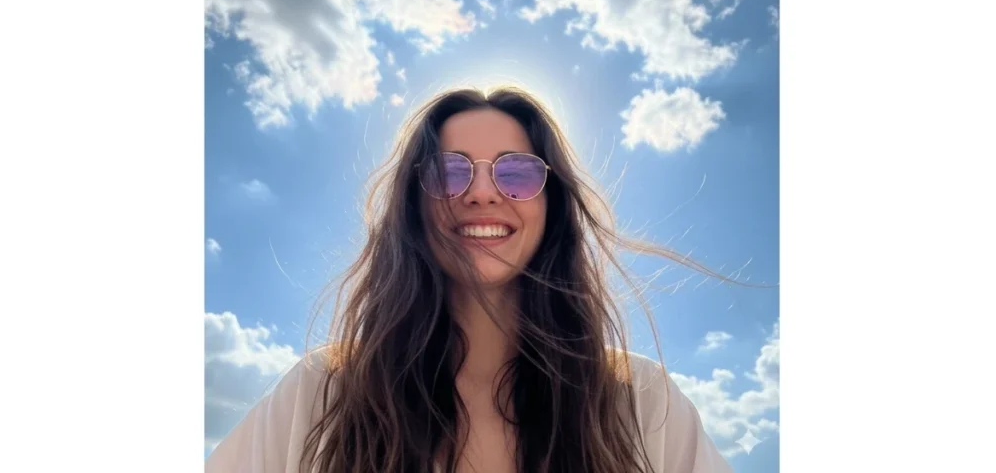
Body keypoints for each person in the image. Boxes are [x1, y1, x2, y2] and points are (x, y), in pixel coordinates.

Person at [207, 86, 736, 472]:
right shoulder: (322, 390)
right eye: (449, 172)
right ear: (414, 207)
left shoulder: (641, 401)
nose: (482, 193)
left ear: (553, 207)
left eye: (517, 173)